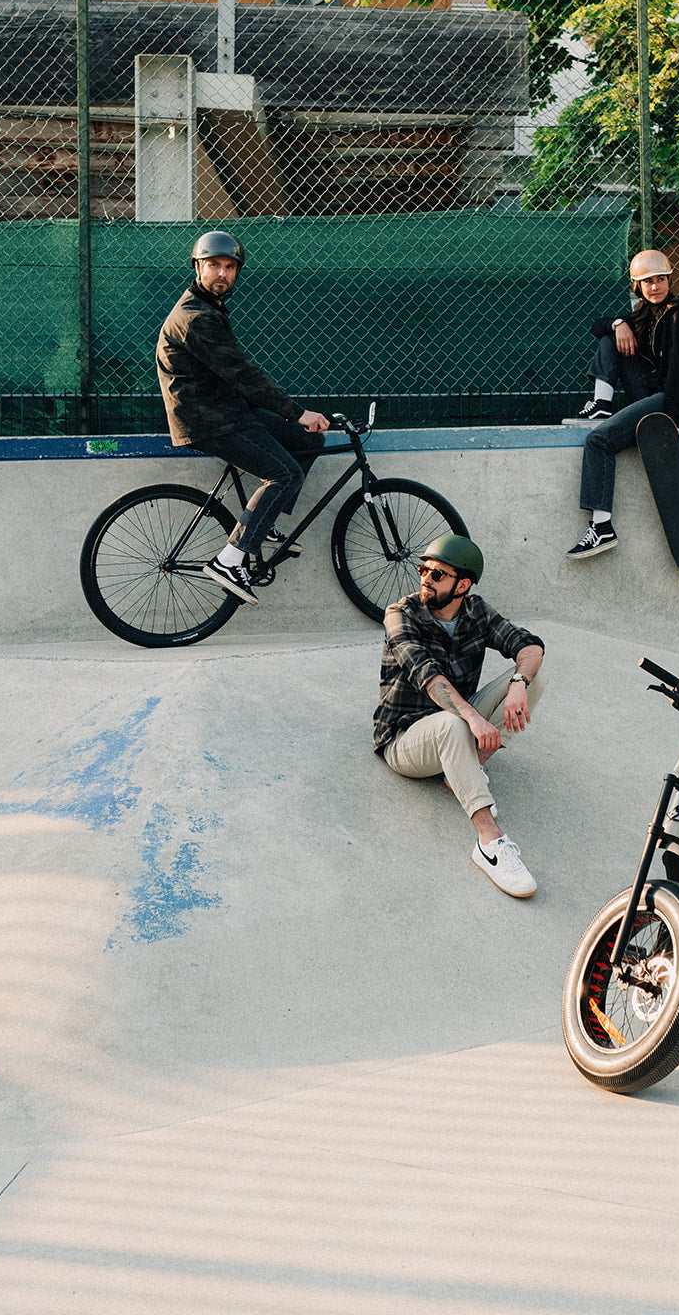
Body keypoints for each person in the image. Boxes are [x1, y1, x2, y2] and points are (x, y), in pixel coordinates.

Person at [156, 231, 330, 606]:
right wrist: (297, 412)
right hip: (209, 420)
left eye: (230, 267)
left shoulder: (208, 308)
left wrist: (297, 422)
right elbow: (243, 375)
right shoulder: (196, 318)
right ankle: (229, 560)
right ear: (198, 267)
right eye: (213, 265)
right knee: (285, 474)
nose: (222, 273)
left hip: (225, 410)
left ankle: (261, 524)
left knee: (308, 440)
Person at [373, 534, 547, 898]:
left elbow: (528, 645)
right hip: (403, 739)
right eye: (424, 569)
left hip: (454, 731)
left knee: (535, 676)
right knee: (454, 721)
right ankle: (489, 842)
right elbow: (428, 677)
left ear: (462, 585)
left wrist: (518, 682)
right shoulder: (400, 614)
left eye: (437, 574)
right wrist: (474, 719)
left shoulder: (476, 611)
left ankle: (464, 772)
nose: (425, 578)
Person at [565, 248, 679, 558]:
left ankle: (601, 528)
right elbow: (597, 325)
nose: (655, 287)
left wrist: (668, 419)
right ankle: (602, 403)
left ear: (670, 280)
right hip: (653, 395)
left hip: (677, 401)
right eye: (647, 282)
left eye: (660, 280)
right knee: (611, 336)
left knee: (598, 440)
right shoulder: (645, 314)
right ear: (638, 287)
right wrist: (619, 323)